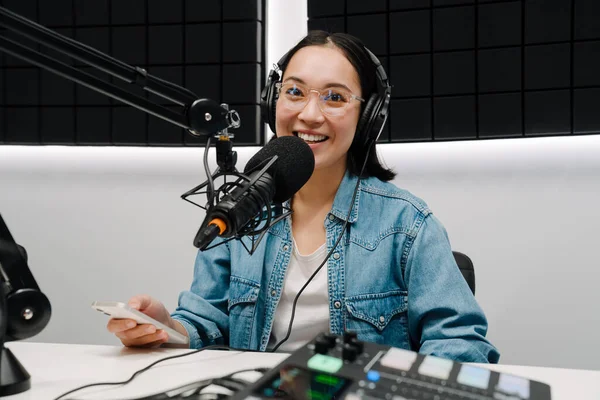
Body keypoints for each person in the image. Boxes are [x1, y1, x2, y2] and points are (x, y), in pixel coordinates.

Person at [107, 30, 500, 363]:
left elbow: (460, 345)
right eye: (294, 92)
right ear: (273, 101)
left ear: (369, 117)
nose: (310, 115)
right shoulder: (239, 212)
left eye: (334, 97)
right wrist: (166, 328)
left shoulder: (409, 225)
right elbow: (206, 322)